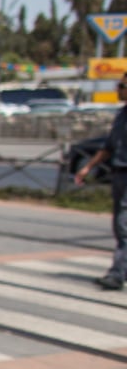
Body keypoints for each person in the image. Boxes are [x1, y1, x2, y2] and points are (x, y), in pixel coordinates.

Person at [74, 72, 127, 291]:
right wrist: (87, 167)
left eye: (121, 85)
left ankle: (117, 274)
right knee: (119, 224)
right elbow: (108, 147)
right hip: (119, 174)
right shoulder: (122, 114)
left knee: (124, 225)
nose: (117, 89)